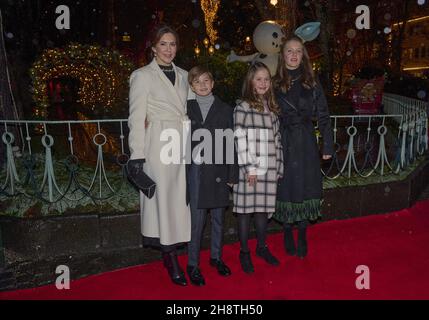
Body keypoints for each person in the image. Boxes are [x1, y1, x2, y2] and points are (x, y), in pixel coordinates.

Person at [128, 24, 191, 286]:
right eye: (163, 44)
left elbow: (195, 107)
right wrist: (137, 155)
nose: (168, 49)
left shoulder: (186, 75)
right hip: (158, 144)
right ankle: (171, 256)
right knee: (164, 201)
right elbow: (135, 117)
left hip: (182, 143)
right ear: (153, 47)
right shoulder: (142, 76)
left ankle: (172, 249)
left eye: (173, 44)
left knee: (180, 200)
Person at [273, 36, 334, 259]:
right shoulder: (273, 83)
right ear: (283, 55)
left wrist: (327, 144)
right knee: (286, 186)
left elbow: (324, 115)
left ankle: (302, 232)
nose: (294, 55)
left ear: (303, 55)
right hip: (283, 140)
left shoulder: (312, 82)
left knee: (306, 186)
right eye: (290, 51)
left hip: (307, 140)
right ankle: (287, 230)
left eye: (298, 51)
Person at [185, 65, 238, 286]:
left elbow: (231, 142)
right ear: (191, 86)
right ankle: (193, 264)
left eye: (206, 80)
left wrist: (232, 174)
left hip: (218, 170)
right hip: (196, 171)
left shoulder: (225, 109)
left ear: (213, 83)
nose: (203, 85)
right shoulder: (185, 108)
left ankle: (216, 257)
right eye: (197, 82)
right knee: (197, 221)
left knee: (218, 218)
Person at [233, 61, 284, 273]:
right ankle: (244, 252)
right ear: (251, 82)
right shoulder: (242, 106)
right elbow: (239, 138)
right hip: (250, 170)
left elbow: (277, 140)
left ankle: (262, 248)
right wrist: (249, 169)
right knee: (245, 213)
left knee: (262, 211)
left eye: (266, 79)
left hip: (269, 168)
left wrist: (279, 166)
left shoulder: (272, 109)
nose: (263, 83)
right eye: (258, 79)